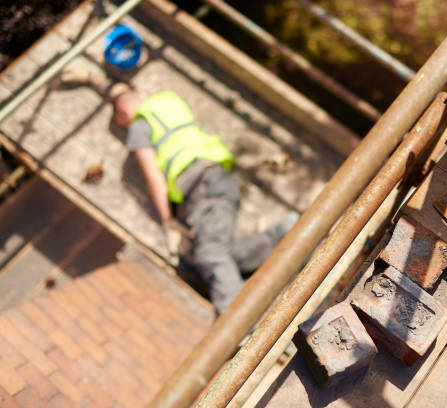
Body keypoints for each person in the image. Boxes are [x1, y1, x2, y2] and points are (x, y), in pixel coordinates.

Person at [61, 68, 297, 312]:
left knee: (210, 255)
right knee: (207, 257)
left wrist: (168, 223)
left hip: (201, 187)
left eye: (118, 118)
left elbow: (154, 177)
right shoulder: (166, 101)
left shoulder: (140, 126)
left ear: (122, 114)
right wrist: (92, 78)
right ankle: (284, 235)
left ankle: (241, 324)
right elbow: (124, 94)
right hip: (218, 180)